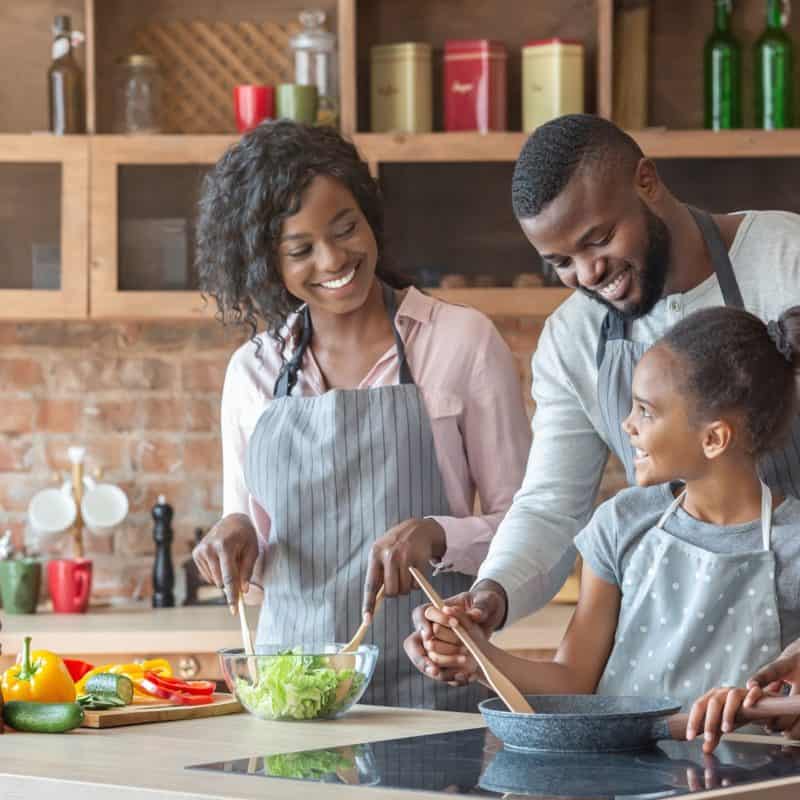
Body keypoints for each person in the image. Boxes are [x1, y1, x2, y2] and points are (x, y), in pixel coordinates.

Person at [405, 113, 800, 695]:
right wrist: (491, 594)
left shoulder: (786, 260)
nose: (590, 274)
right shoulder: (572, 341)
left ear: (646, 180)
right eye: (561, 262)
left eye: (598, 239)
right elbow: (550, 507)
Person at [190, 120, 531, 709]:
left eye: (346, 228)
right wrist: (235, 536)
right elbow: (252, 535)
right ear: (267, 265)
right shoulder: (252, 371)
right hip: (291, 691)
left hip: (433, 681)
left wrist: (439, 535)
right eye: (300, 250)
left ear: (369, 216)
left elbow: (529, 526)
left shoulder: (460, 341)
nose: (333, 258)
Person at [418, 304, 800, 752]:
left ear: (713, 438)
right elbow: (573, 681)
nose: (627, 424)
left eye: (646, 411)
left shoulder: (792, 543)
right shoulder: (621, 523)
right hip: (619, 780)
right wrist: (478, 657)